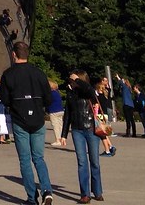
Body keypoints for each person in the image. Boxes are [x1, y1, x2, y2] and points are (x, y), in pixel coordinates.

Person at [0, 41, 54, 205]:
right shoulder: (38, 73)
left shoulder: (9, 74)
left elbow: (4, 98)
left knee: (25, 160)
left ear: (14, 54)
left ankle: (32, 197)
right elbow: (49, 98)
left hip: (20, 120)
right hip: (38, 120)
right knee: (38, 158)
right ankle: (47, 190)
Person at [60, 70, 104, 204]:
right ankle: (85, 194)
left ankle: (97, 191)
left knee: (94, 161)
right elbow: (67, 114)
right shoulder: (70, 94)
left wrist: (78, 81)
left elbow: (91, 91)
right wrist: (63, 134)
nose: (72, 82)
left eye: (74, 80)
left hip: (91, 128)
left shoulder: (88, 92)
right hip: (77, 130)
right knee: (82, 161)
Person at [95, 77, 115, 156]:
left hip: (100, 115)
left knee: (101, 133)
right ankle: (110, 146)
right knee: (105, 132)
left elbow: (96, 105)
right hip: (105, 114)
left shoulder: (99, 97)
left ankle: (107, 150)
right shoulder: (105, 96)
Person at [47, 80, 66, 147]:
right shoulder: (57, 93)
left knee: (55, 126)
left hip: (53, 111)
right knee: (60, 125)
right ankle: (62, 139)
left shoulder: (50, 94)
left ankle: (58, 140)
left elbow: (47, 101)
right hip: (60, 110)